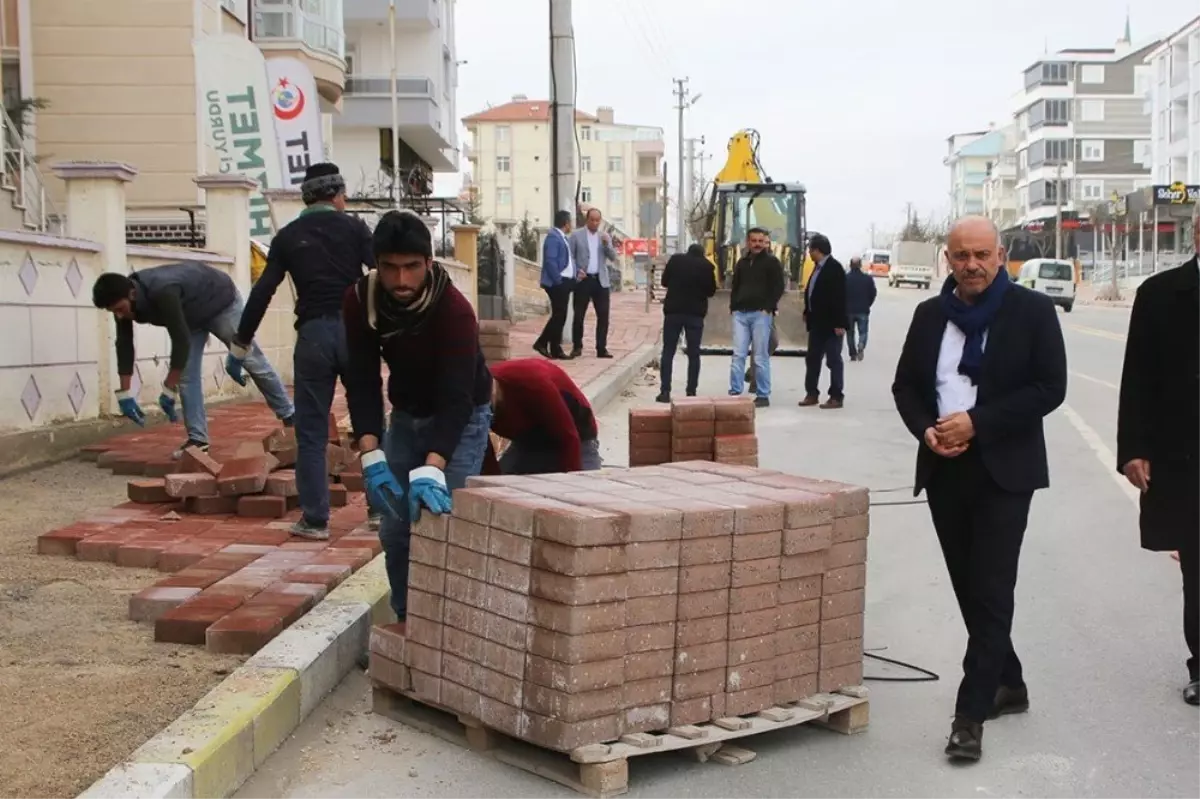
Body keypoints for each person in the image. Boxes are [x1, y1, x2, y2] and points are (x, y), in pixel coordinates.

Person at [892, 215, 1066, 762]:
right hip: (945, 468)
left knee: (991, 588)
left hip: (1005, 471)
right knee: (970, 587)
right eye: (961, 256)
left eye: (982, 255)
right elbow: (906, 386)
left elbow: (1049, 387)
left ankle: (970, 715)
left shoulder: (1032, 312)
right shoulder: (928, 316)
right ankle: (1009, 681)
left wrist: (979, 422)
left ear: (1000, 257)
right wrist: (927, 430)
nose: (972, 265)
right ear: (949, 259)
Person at [342, 210, 493, 625]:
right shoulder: (361, 301)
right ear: (377, 266)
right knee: (394, 529)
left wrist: (433, 467)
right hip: (407, 416)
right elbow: (361, 378)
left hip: (461, 418)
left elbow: (458, 398)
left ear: (429, 263)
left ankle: (456, 628)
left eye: (411, 267)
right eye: (390, 268)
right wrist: (370, 453)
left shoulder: (454, 312)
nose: (402, 280)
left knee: (443, 524)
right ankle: (410, 627)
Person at [230, 162, 376, 539]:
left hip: (312, 336)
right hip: (355, 332)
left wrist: (241, 342)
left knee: (310, 432)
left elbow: (263, 291)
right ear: (337, 194)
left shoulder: (289, 236)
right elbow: (383, 274)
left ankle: (315, 519)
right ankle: (380, 511)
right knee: (371, 424)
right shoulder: (355, 228)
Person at [1117, 203, 1200, 706]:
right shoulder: (1160, 295)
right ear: (1197, 234)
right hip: (1185, 455)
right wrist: (1134, 449)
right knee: (1198, 566)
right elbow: (1137, 379)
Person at [91, 263, 294, 457]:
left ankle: (291, 418)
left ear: (132, 294)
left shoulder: (164, 291)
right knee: (187, 377)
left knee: (251, 359)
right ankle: (198, 440)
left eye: (119, 309)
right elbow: (124, 345)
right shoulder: (125, 301)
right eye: (113, 312)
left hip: (219, 301)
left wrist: (169, 389)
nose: (118, 315)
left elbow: (180, 343)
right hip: (189, 316)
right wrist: (125, 394)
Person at [484, 358, 602, 475]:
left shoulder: (530, 381)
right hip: (529, 442)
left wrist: (571, 483)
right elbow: (482, 449)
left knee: (585, 483)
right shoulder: (476, 404)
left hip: (578, 437)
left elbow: (569, 438)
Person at [728, 227, 785, 408]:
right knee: (738, 353)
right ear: (748, 242)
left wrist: (768, 308)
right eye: (754, 241)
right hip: (740, 314)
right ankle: (735, 390)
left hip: (761, 315)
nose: (758, 244)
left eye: (761, 241)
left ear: (766, 243)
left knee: (760, 356)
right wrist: (734, 307)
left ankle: (763, 394)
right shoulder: (741, 263)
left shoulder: (772, 263)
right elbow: (735, 286)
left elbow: (778, 287)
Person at [657, 243, 717, 403]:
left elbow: (664, 282)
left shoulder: (676, 260)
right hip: (695, 314)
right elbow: (711, 291)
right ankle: (691, 390)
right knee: (694, 353)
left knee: (668, 351)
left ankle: (664, 391)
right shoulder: (707, 266)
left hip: (673, 312)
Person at [799, 234, 848, 409]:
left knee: (833, 360)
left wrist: (840, 323)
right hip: (817, 324)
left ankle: (836, 395)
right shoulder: (817, 268)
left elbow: (840, 298)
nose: (809, 253)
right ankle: (811, 393)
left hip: (832, 325)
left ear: (817, 250)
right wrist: (807, 310)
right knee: (812, 359)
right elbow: (812, 293)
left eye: (810, 250)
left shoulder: (834, 269)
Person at [568, 207, 619, 358]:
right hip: (583, 280)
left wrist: (606, 245)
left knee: (603, 316)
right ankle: (577, 346)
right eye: (592, 220)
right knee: (579, 315)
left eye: (598, 220)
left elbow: (612, 256)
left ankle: (601, 348)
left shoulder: (604, 236)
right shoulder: (576, 235)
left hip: (600, 280)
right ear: (587, 219)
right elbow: (570, 256)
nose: (595, 223)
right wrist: (577, 270)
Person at [533, 209, 575, 360]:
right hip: (557, 283)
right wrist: (558, 281)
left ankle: (555, 348)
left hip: (565, 281)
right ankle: (542, 342)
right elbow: (550, 262)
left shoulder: (563, 238)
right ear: (566, 223)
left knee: (560, 315)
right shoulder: (553, 237)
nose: (572, 225)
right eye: (570, 222)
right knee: (559, 315)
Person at [845, 256, 878, 362]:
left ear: (850, 265)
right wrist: (868, 304)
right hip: (863, 310)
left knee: (850, 333)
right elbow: (873, 293)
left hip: (848, 311)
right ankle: (861, 344)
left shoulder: (845, 278)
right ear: (860, 265)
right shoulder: (867, 279)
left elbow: (840, 295)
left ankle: (852, 354)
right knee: (863, 332)